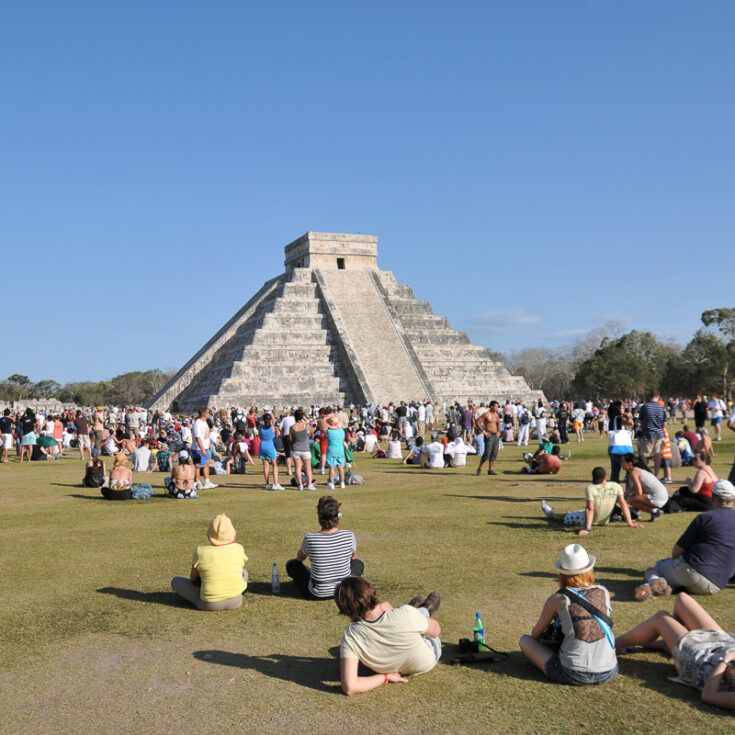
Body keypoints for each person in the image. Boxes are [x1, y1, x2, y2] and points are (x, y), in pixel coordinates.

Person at [615, 592, 735, 711]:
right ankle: (669, 643)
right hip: (724, 643)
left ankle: (618, 644)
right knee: (682, 599)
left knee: (661, 618)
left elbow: (709, 695)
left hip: (700, 660)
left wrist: (726, 659)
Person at [519, 544, 618, 686]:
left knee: (525, 640)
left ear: (562, 573)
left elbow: (535, 634)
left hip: (572, 673)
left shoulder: (558, 599)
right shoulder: (604, 592)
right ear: (589, 569)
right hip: (609, 671)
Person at [335, 576, 441, 695]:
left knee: (410, 618)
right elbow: (436, 631)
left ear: (344, 608)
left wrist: (385, 677)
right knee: (416, 616)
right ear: (371, 589)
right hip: (426, 661)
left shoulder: (350, 636)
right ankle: (425, 609)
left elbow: (350, 686)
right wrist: (393, 612)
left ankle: (418, 610)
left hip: (390, 667)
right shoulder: (404, 613)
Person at [634, 480, 735, 600]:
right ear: (733, 499)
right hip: (716, 585)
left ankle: (654, 581)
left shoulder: (704, 518)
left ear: (713, 498)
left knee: (654, 569)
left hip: (694, 572)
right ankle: (667, 585)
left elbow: (676, 552)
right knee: (683, 581)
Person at [286, 496, 364, 600]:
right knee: (358, 563)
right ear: (338, 516)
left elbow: (299, 558)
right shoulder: (349, 535)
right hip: (344, 591)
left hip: (317, 593)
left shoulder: (310, 538)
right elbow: (353, 556)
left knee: (292, 565)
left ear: (319, 516)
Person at [171, 514, 248, 611]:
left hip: (210, 604)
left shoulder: (200, 551)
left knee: (176, 581)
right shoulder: (239, 548)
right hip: (236, 601)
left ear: (209, 535)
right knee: (244, 572)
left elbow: (193, 578)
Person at [541, 466, 644, 535]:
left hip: (586, 520)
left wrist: (587, 529)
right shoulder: (616, 486)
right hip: (604, 521)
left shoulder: (591, 488)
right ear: (605, 477)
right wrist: (630, 523)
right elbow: (624, 505)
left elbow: (590, 509)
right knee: (579, 512)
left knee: (563, 516)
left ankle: (550, 514)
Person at [622, 454, 669, 522]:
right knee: (633, 497)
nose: (621, 463)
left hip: (659, 498)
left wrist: (628, 492)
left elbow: (639, 491)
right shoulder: (638, 470)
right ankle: (636, 513)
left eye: (623, 461)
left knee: (629, 499)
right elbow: (639, 489)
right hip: (663, 496)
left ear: (630, 463)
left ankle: (655, 511)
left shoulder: (634, 473)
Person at [638, 390, 667, 474]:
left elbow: (641, 421)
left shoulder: (644, 407)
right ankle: (656, 473)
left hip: (648, 434)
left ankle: (645, 473)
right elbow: (664, 423)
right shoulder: (661, 408)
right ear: (658, 397)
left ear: (650, 397)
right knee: (657, 454)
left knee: (644, 454)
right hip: (659, 434)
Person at [289, 409, 316, 491]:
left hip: (296, 448)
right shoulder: (306, 425)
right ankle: (310, 484)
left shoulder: (292, 427)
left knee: (298, 467)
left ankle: (300, 485)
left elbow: (290, 439)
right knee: (308, 467)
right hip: (305, 448)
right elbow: (312, 431)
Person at [192, 406, 217, 490]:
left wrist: (209, 443)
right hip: (197, 449)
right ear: (205, 414)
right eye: (208, 413)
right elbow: (197, 437)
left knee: (206, 465)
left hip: (205, 447)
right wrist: (202, 449)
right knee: (198, 466)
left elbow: (206, 434)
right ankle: (197, 482)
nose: (209, 414)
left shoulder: (205, 422)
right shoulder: (197, 423)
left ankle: (207, 481)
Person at [475, 401, 501, 476]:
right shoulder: (487, 414)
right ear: (491, 406)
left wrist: (499, 432)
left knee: (494, 453)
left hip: (495, 436)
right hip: (489, 436)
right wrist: (484, 432)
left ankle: (491, 469)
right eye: (495, 406)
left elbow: (498, 422)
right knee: (487, 453)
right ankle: (479, 468)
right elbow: (477, 422)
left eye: (497, 406)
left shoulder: (496, 415)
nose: (497, 408)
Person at [259, 412, 283, 490]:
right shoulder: (272, 427)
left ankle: (267, 484)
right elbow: (273, 420)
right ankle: (275, 483)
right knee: (274, 465)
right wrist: (271, 414)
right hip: (270, 446)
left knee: (266, 466)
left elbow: (260, 436)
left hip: (262, 446)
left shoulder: (260, 427)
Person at [325, 416, 347, 490]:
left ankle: (331, 483)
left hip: (331, 449)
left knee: (332, 467)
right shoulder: (341, 431)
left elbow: (325, 437)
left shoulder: (329, 431)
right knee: (340, 467)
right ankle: (342, 483)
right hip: (340, 449)